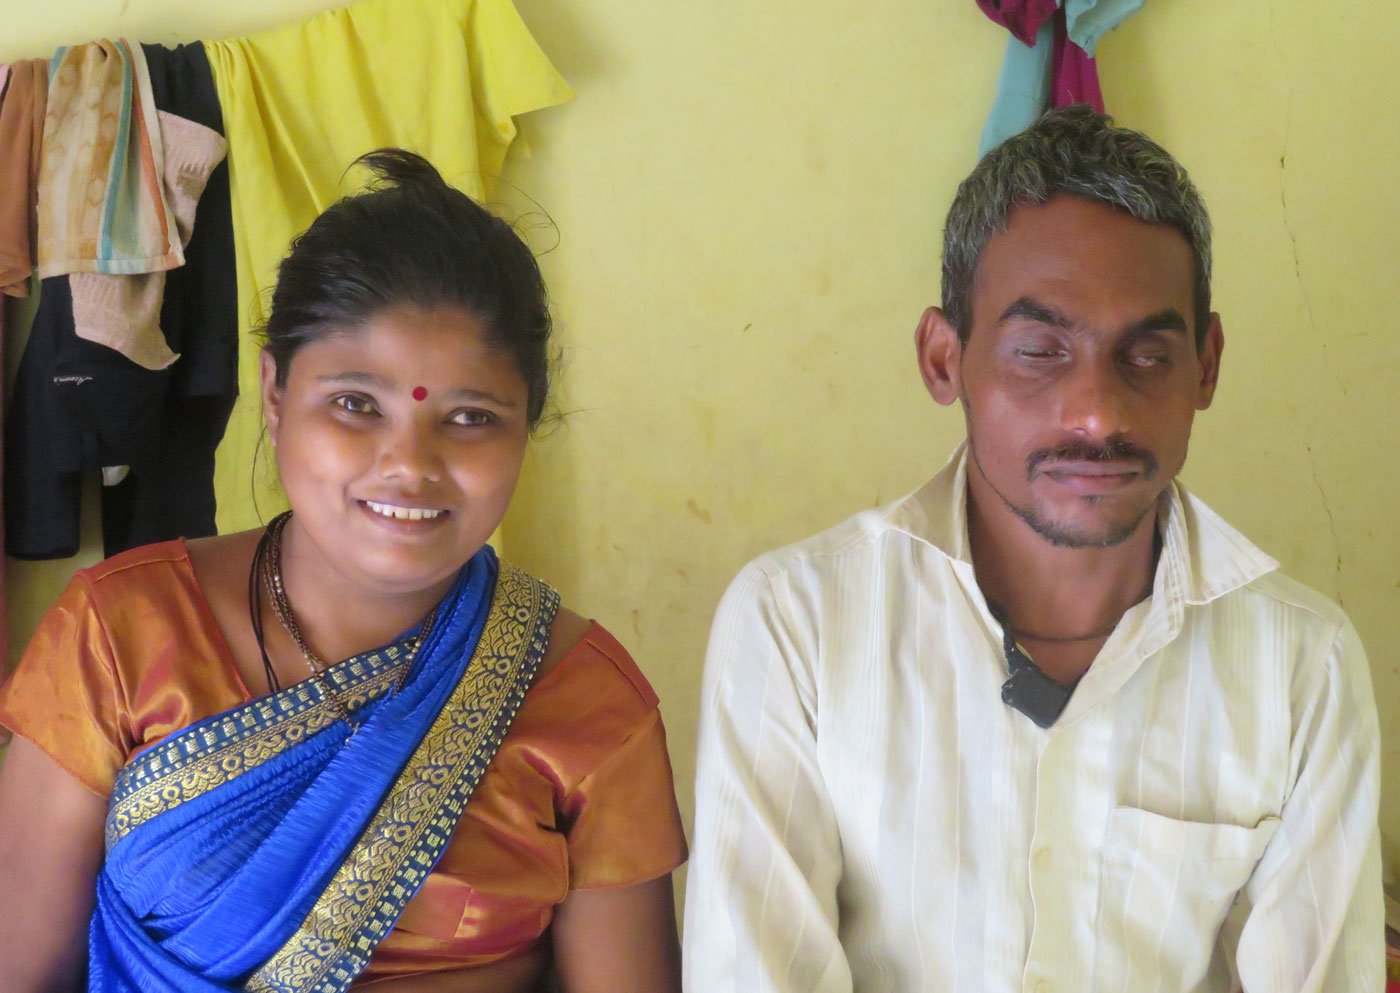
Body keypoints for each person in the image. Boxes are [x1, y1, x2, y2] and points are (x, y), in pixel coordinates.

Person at [683, 106, 1382, 993]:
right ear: (945, 360)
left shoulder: (1302, 662)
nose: (1097, 413)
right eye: (1040, 351)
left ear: (1206, 365)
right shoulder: (798, 625)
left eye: (1147, 355)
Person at [0, 149, 687, 993]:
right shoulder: (120, 633)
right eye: (356, 404)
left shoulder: (590, 704)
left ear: (525, 428)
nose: (410, 465)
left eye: (471, 417)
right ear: (275, 393)